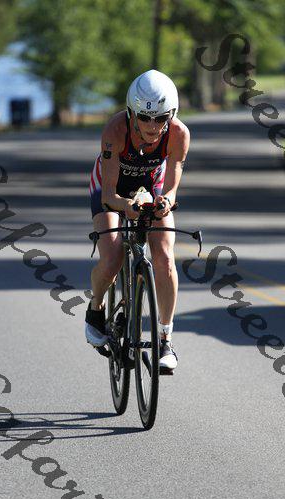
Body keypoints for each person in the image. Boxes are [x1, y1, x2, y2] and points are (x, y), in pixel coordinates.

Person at [86, 69, 190, 372]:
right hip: (111, 187)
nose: (153, 126)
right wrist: (125, 206)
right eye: (145, 118)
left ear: (172, 115)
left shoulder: (179, 134)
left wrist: (165, 201)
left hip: (152, 186)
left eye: (161, 118)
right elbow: (109, 195)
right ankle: (96, 309)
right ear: (132, 113)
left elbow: (171, 187)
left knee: (165, 257)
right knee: (112, 257)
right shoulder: (116, 130)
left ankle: (165, 339)